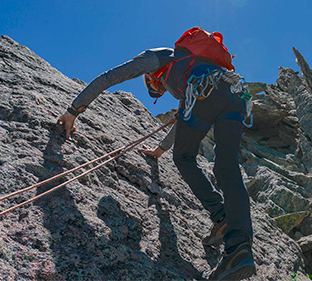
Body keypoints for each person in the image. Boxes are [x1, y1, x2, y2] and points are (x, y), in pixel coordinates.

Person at [57, 28, 256, 280]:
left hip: (208, 93)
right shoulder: (194, 66)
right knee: (227, 167)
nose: (157, 86)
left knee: (184, 159)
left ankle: (221, 217)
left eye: (153, 84)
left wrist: (74, 110)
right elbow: (185, 116)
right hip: (235, 94)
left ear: (150, 77)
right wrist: (159, 150)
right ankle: (239, 251)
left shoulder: (158, 58)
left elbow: (111, 77)